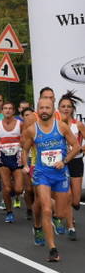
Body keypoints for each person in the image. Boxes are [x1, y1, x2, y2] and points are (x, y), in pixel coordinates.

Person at [22, 97, 81, 262]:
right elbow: (24, 150)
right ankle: (52, 249)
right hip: (42, 174)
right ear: (37, 110)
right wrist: (25, 165)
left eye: (47, 108)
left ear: (53, 109)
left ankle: (56, 219)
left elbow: (76, 146)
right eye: (41, 108)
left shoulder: (61, 126)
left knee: (60, 213)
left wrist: (65, 161)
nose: (44, 111)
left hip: (60, 174)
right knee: (46, 209)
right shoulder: (32, 130)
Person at [0, 102, 23, 223]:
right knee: (6, 188)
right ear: (2, 111)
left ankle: (14, 194)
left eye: (10, 109)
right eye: (5, 109)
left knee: (18, 189)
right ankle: (9, 212)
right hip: (3, 158)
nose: (7, 111)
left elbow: (27, 138)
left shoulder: (20, 124)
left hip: (17, 158)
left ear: (14, 111)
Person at [58, 91, 85, 240]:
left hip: (76, 161)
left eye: (69, 106)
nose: (66, 109)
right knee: (67, 196)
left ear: (73, 109)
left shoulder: (78, 125)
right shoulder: (56, 125)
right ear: (58, 108)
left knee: (75, 200)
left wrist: (80, 148)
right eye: (63, 106)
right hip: (61, 162)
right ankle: (71, 226)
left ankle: (71, 212)